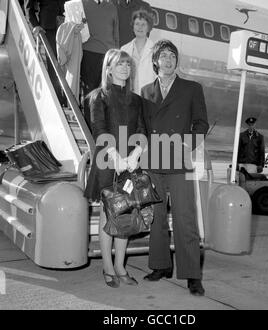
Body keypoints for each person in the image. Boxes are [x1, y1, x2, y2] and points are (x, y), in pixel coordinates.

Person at [141, 40, 209, 296]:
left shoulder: (192, 88)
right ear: (155, 61)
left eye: (172, 56)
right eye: (163, 56)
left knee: (185, 219)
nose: (168, 60)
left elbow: (201, 124)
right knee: (156, 218)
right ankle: (160, 266)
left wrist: (185, 146)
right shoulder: (146, 91)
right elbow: (143, 128)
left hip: (180, 161)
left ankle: (192, 275)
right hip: (153, 163)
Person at [84, 49, 146, 288]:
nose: (124, 68)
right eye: (119, 64)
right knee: (107, 217)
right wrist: (116, 157)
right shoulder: (97, 97)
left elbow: (141, 129)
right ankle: (107, 266)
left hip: (129, 164)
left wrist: (135, 155)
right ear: (108, 69)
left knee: (125, 216)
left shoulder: (136, 99)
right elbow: (99, 129)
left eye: (127, 65)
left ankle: (121, 266)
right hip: (107, 162)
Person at [80, 0, 119, 128]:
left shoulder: (112, 7)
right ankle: (90, 127)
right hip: (88, 53)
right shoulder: (82, 4)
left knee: (106, 93)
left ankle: (103, 127)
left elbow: (116, 34)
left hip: (108, 56)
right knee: (89, 92)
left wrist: (116, 55)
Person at [24, 0, 67, 102]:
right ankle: (57, 97)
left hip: (67, 25)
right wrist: (35, 25)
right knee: (53, 63)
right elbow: (28, 7)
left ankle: (67, 96)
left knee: (67, 62)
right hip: (48, 26)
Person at [121, 9, 155, 95]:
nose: (140, 27)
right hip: (129, 96)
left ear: (148, 28)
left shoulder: (156, 50)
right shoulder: (124, 49)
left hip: (148, 97)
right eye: (137, 24)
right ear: (133, 27)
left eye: (143, 24)